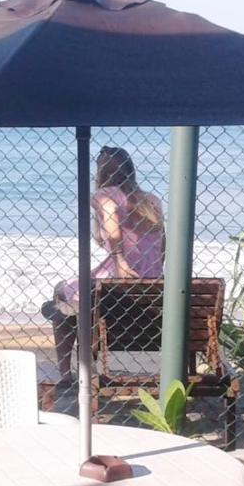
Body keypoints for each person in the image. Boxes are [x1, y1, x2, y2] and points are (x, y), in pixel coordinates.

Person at [42, 146, 165, 383]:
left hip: (115, 288)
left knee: (62, 294)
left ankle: (67, 373)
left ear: (101, 171)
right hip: (151, 289)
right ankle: (71, 319)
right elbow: (163, 241)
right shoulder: (151, 200)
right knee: (77, 295)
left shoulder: (104, 195)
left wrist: (118, 257)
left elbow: (110, 220)